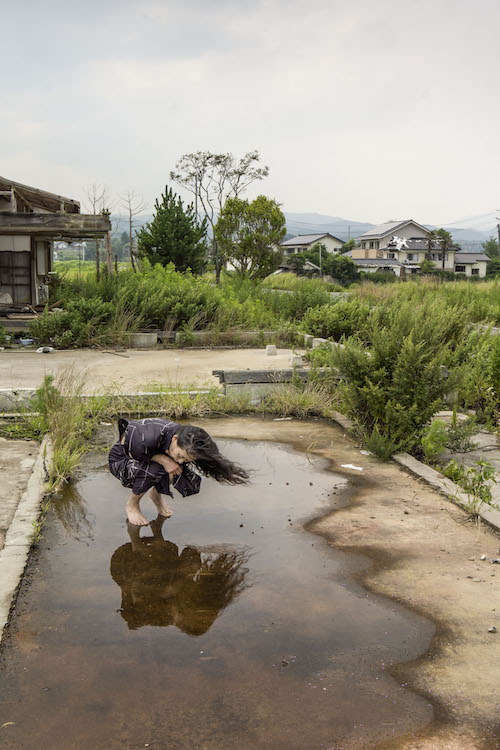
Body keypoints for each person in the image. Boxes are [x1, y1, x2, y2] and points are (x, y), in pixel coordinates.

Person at [108, 417, 249, 525]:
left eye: (186, 459)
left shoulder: (184, 438)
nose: (181, 461)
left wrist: (173, 460)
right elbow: (134, 453)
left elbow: (179, 460)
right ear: (175, 439)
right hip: (122, 460)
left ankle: (156, 497)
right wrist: (164, 459)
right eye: (181, 456)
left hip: (149, 456)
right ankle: (132, 505)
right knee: (158, 468)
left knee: (175, 469)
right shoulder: (146, 437)